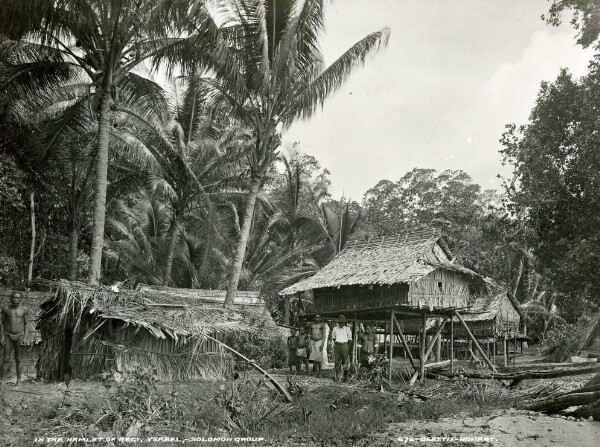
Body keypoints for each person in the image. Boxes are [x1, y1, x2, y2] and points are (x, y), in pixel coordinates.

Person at [1, 291, 29, 385]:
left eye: (18, 298)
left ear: (20, 299)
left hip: (20, 335)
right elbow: (2, 323)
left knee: (19, 359)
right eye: (14, 297)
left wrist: (25, 337)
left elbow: (26, 324)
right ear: (11, 298)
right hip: (8, 335)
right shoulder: (5, 309)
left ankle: (18, 381)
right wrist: (1, 336)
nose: (15, 299)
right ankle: (3, 381)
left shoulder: (24, 310)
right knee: (6, 358)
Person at [331, 315, 352, 380]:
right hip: (337, 345)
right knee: (337, 361)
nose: (341, 324)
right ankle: (337, 376)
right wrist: (338, 343)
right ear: (338, 323)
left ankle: (345, 376)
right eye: (340, 322)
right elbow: (333, 338)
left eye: (342, 322)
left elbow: (350, 339)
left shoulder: (347, 329)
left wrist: (345, 345)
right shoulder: (335, 328)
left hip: (345, 345)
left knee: (345, 361)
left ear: (344, 323)